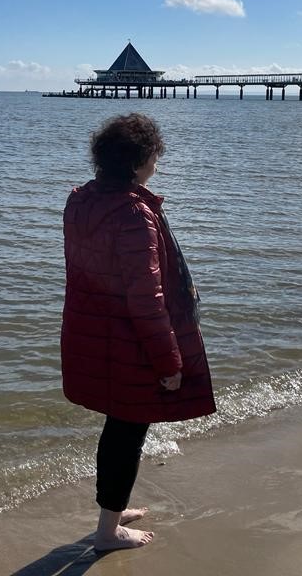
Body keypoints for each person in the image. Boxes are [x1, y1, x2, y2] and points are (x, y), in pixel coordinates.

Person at [61, 113, 216, 551]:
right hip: (129, 342)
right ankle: (108, 531)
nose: (157, 165)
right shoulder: (134, 213)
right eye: (155, 157)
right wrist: (170, 361)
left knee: (120, 425)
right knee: (127, 430)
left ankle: (113, 508)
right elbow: (146, 298)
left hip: (94, 333)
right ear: (140, 159)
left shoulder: (81, 201)